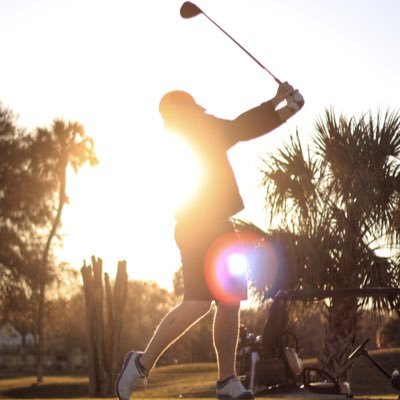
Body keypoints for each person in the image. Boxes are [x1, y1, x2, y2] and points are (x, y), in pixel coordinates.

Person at [116, 82, 304, 400]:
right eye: (190, 110)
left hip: (219, 227)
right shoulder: (191, 132)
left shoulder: (200, 128)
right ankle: (140, 364)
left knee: (229, 302)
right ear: (179, 114)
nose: (198, 114)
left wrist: (283, 110)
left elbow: (237, 129)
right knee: (199, 303)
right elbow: (240, 128)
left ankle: (226, 381)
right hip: (195, 228)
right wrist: (279, 105)